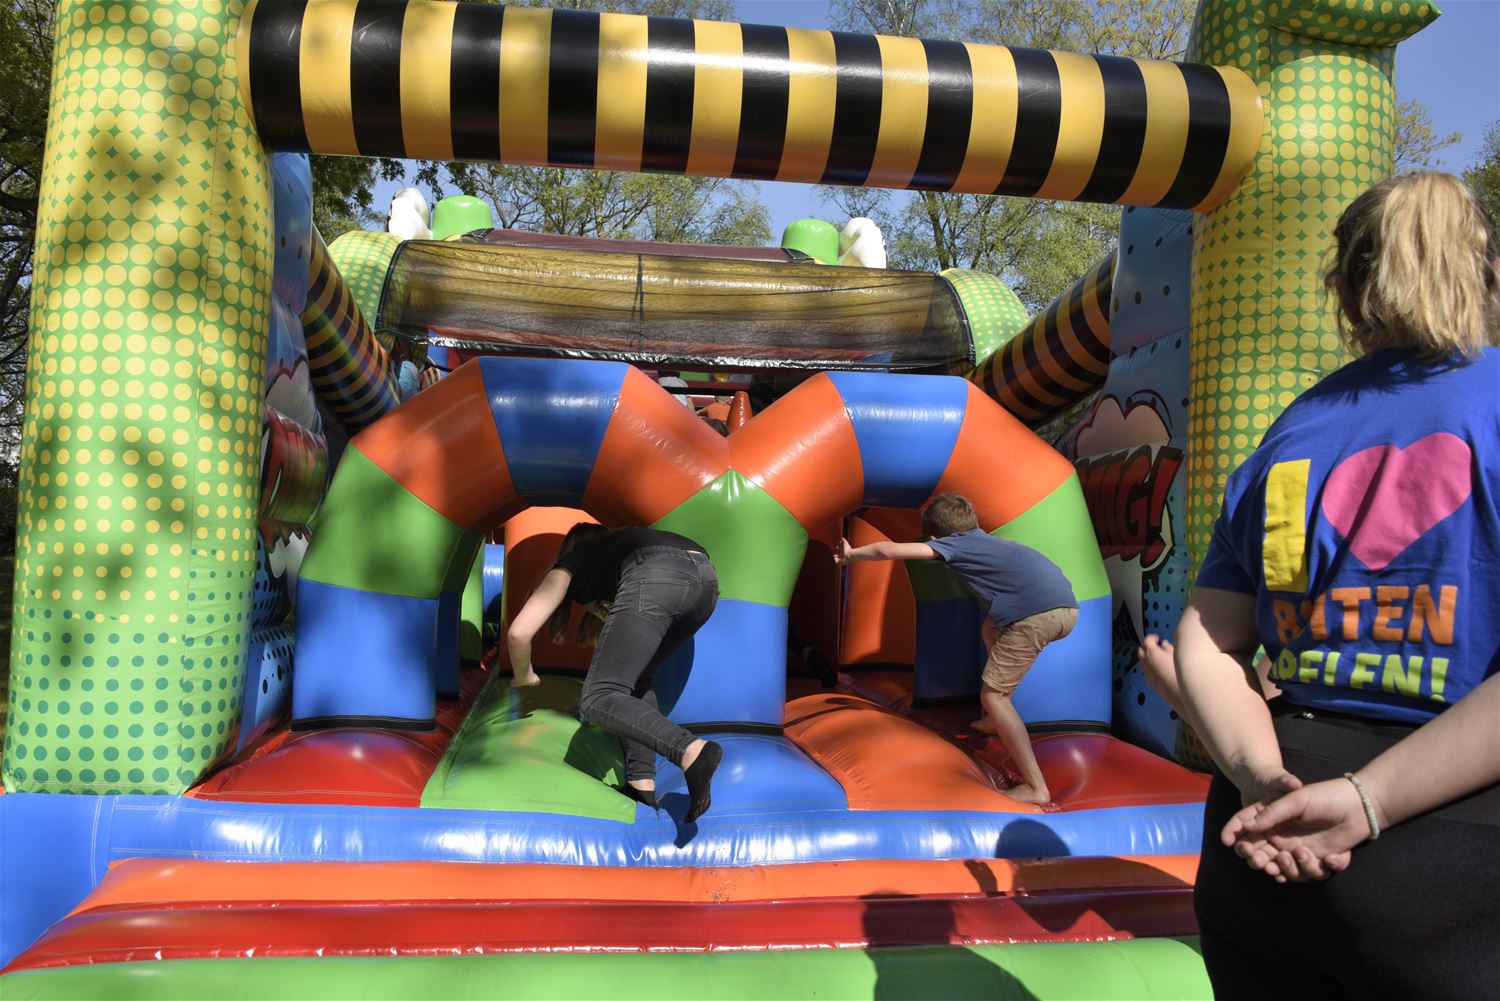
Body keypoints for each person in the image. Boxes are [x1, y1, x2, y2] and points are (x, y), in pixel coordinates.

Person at [1173, 172, 1500, 999]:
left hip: (1262, 832)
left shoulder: (1293, 429)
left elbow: (1207, 640)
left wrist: (1258, 776)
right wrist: (1366, 800)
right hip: (1447, 843)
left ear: (1347, 293)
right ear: (1486, 273)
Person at [835, 493, 1078, 805]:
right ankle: (995, 717)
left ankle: (1035, 786)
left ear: (936, 538)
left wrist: (852, 554)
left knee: (993, 696)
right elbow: (1060, 574)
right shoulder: (994, 542)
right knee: (989, 626)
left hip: (1035, 618)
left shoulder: (954, 545)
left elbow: (889, 549)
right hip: (1068, 610)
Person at [507, 523, 724, 823]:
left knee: (597, 696)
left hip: (656, 572)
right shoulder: (615, 552)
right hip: (706, 581)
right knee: (637, 678)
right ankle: (641, 784)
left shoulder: (571, 564)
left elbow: (518, 634)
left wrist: (524, 676)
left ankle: (689, 750)